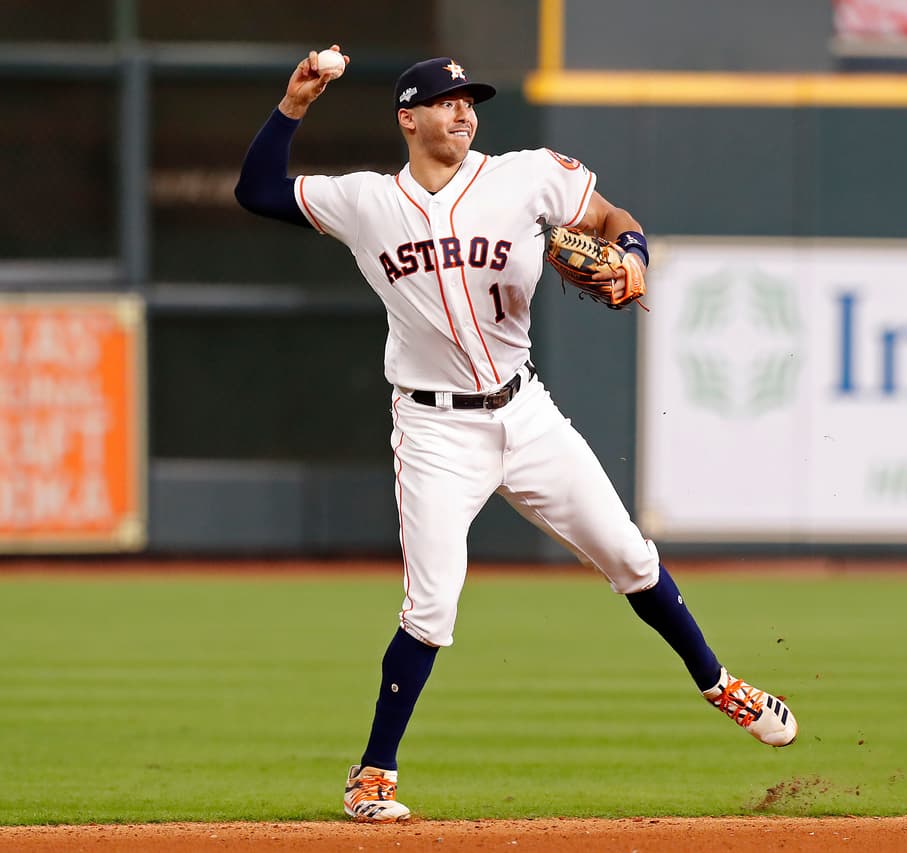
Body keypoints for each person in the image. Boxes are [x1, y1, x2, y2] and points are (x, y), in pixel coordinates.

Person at [235, 46, 798, 823]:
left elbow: (609, 219)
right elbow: (256, 189)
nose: (464, 110)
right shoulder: (367, 201)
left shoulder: (526, 174)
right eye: (446, 100)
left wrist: (631, 256)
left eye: (471, 100)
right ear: (408, 116)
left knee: (631, 555)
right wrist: (294, 102)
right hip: (433, 427)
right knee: (431, 609)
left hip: (524, 410)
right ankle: (371, 776)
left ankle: (719, 681)